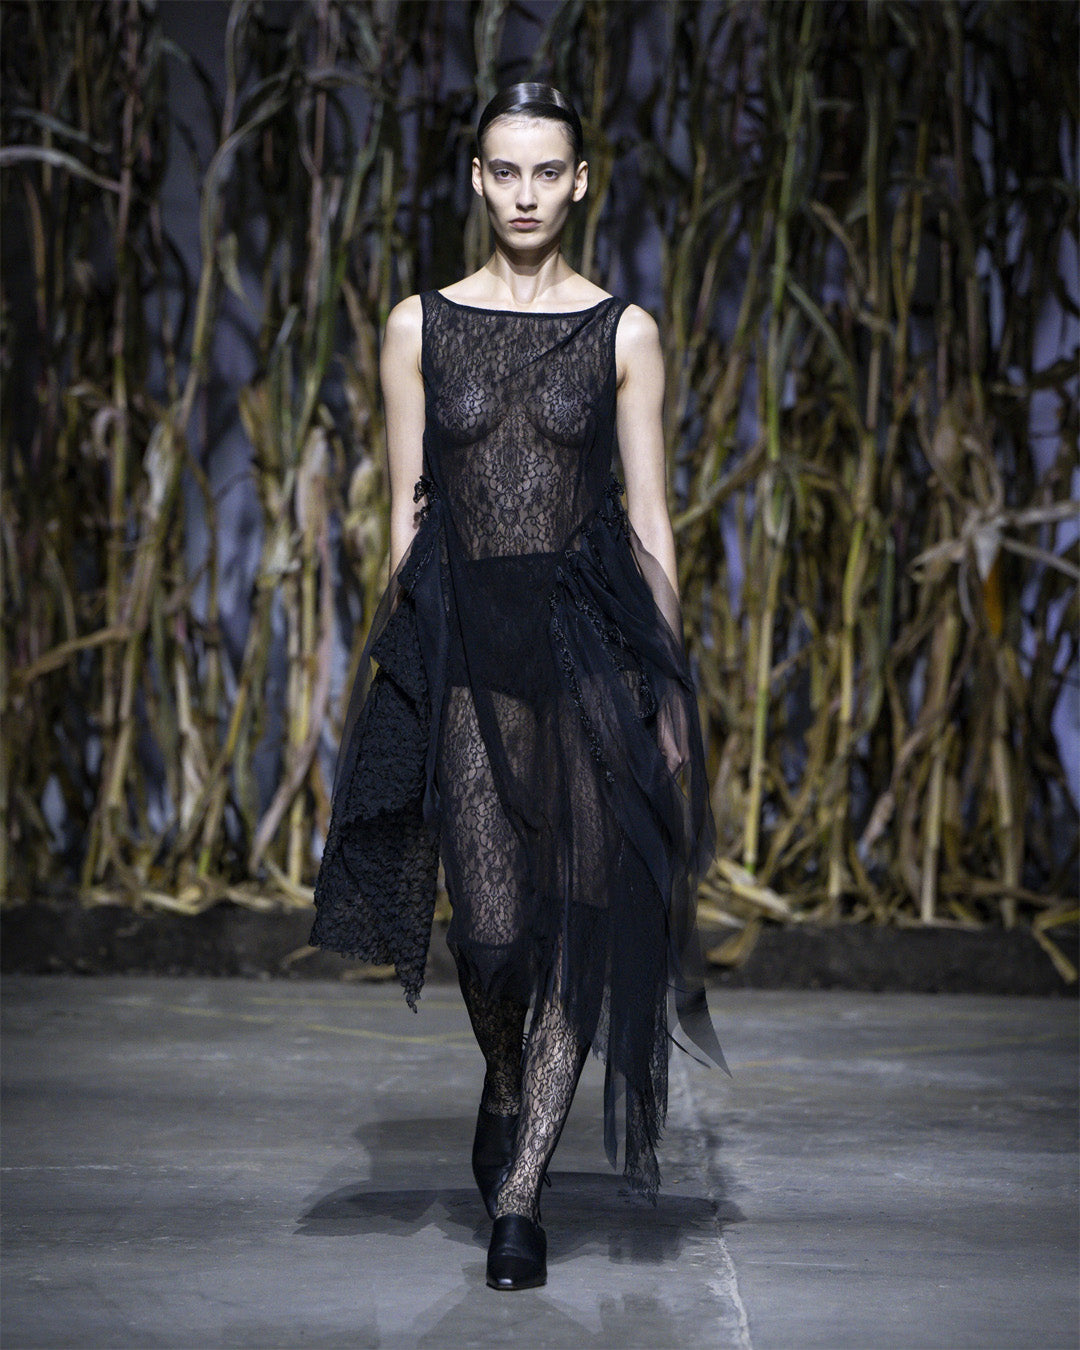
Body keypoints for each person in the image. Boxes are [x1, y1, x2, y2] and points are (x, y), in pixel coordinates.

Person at [310, 81, 726, 1292]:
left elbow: (651, 519)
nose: (528, 194)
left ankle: (523, 1193)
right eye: (507, 172)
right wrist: (407, 659)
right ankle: (506, 1080)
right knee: (491, 939)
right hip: (468, 646)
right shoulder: (419, 326)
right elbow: (408, 512)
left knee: (579, 920)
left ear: (580, 181)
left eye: (549, 172)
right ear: (478, 179)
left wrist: (671, 688)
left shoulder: (623, 332)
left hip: (590, 642)